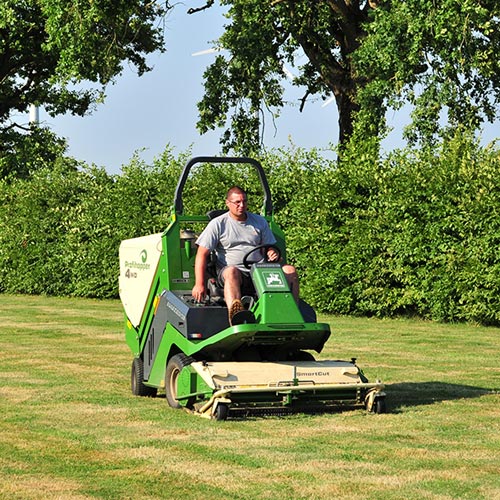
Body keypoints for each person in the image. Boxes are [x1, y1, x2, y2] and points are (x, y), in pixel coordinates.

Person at [191, 186, 299, 324]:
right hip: (233, 272)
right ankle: (236, 316)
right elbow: (201, 254)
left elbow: (270, 247)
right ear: (228, 203)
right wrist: (199, 284)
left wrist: (272, 253)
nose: (241, 205)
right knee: (232, 271)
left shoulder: (259, 222)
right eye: (237, 202)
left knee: (290, 270)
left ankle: (292, 313)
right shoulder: (218, 224)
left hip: (260, 271)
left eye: (244, 201)